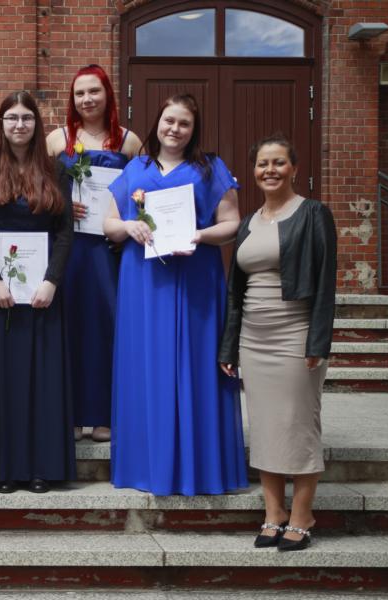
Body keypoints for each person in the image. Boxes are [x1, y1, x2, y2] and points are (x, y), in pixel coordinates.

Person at [103, 93, 247, 496]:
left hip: (195, 277)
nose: (175, 129)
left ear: (193, 129)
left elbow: (232, 223)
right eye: (169, 120)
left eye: (184, 123)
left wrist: (198, 234)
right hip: (143, 280)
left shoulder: (210, 167)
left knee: (195, 363)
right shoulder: (136, 167)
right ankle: (145, 463)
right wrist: (128, 227)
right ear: (157, 122)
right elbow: (108, 223)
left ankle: (200, 465)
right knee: (146, 363)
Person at [219, 134, 337, 551]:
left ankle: (302, 514)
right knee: (266, 425)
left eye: (279, 162)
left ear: (294, 168)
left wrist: (317, 342)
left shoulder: (313, 213)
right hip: (254, 338)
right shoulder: (249, 222)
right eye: (262, 163)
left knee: (299, 424)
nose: (270, 170)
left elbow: (325, 283)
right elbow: (235, 291)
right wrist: (229, 346)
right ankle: (274, 513)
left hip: (295, 334)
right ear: (254, 171)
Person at [0, 91, 75, 494]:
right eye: (12, 117)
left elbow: (65, 232)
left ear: (37, 124)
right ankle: (2, 469)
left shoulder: (56, 169)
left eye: (27, 117)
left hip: (44, 293)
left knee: (42, 380)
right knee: (1, 378)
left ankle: (41, 467)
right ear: (1, 124)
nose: (20, 125)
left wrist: (51, 281)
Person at [46, 64, 142, 443]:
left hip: (108, 251)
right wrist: (61, 204)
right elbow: (38, 189)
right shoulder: (57, 139)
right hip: (69, 250)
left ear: (108, 95)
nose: (87, 99)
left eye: (94, 91)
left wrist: (126, 226)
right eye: (80, 93)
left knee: (108, 325)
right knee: (67, 325)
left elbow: (142, 194)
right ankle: (69, 414)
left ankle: (105, 414)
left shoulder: (129, 142)